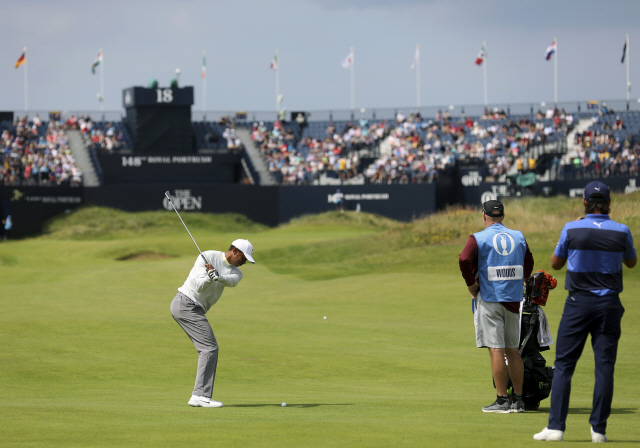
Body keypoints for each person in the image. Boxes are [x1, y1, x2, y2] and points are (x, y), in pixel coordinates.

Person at [534, 181, 636, 442]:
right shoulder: (622, 231)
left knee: (565, 365)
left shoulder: (572, 228)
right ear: (609, 203)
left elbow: (556, 265)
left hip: (578, 304)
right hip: (610, 305)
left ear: (584, 202)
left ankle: (556, 427)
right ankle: (598, 431)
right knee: (604, 367)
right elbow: (632, 262)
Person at [459, 200, 534, 413]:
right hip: (513, 300)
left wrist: (471, 284)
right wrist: (524, 278)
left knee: (496, 350)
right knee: (513, 350)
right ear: (502, 215)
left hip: (490, 299)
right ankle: (518, 400)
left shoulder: (478, 238)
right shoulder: (518, 236)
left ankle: (502, 400)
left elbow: (464, 258)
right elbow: (528, 261)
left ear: (484, 216)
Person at [170, 239, 255, 408]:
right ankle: (200, 396)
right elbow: (199, 286)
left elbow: (231, 281)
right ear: (235, 251)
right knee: (209, 348)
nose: (244, 261)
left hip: (195, 308)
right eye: (244, 257)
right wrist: (210, 277)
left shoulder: (237, 272)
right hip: (186, 304)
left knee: (208, 348)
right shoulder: (207, 256)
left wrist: (218, 276)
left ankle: (200, 395)